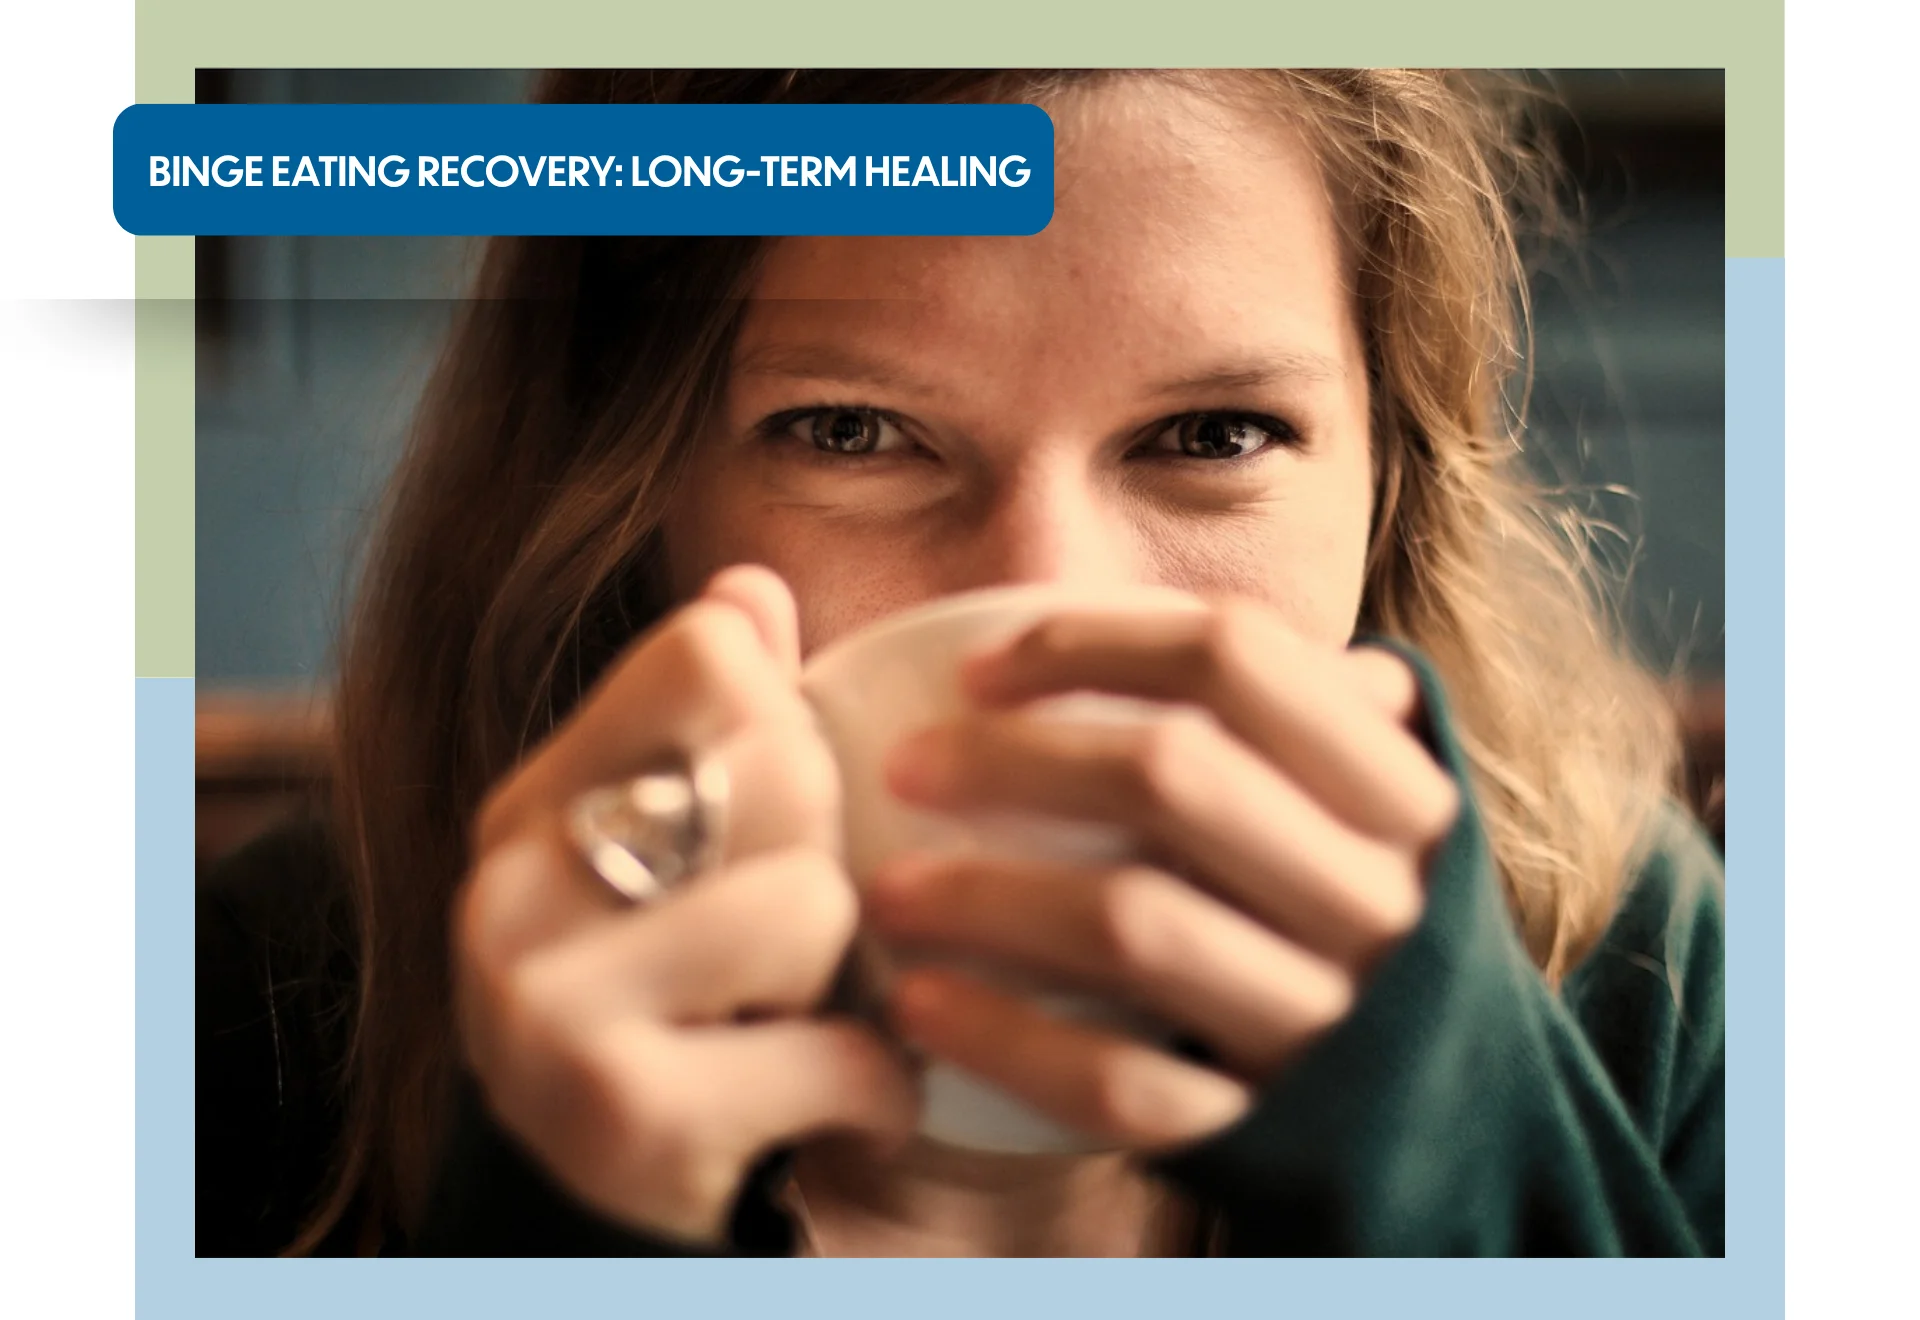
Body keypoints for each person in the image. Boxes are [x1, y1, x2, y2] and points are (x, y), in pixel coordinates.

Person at [196, 68, 1725, 1258]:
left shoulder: (1639, 981)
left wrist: (1465, 1168)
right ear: (631, 494)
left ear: (1391, 486)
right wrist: (557, 1225)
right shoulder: (258, 1003)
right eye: (852, 433)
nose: (1046, 602)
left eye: (1213, 438)